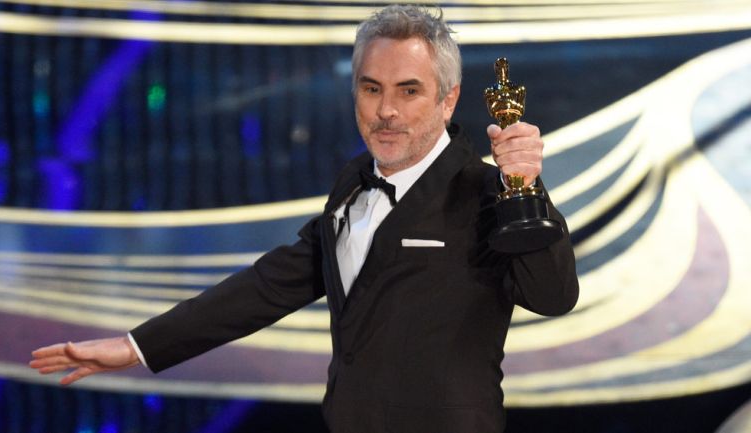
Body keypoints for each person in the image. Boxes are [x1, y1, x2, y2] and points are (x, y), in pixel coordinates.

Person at [30, 5, 578, 433]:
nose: (386, 110)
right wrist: (137, 345)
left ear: (448, 100)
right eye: (371, 88)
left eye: (409, 91)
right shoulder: (350, 185)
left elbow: (553, 295)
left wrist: (526, 187)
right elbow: (267, 285)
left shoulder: (485, 192)